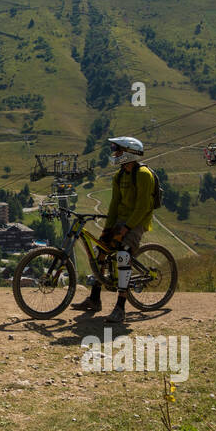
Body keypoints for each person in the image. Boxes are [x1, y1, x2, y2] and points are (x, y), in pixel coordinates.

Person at [73, 136, 155, 323]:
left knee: (123, 256)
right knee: (101, 252)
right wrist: (106, 230)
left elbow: (142, 207)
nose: (115, 154)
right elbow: (114, 204)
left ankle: (120, 308)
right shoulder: (120, 175)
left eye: (118, 151)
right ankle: (94, 299)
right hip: (120, 219)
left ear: (129, 153)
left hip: (138, 220)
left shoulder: (143, 175)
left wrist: (126, 229)